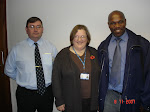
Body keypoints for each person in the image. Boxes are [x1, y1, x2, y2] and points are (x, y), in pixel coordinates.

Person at [98, 10, 150, 112]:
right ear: (108, 25)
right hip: (110, 97)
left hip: (132, 97)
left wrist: (145, 101)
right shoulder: (103, 47)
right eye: (113, 23)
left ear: (125, 21)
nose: (117, 26)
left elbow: (149, 75)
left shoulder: (142, 45)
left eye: (120, 22)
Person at [4, 17, 57, 112]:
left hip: (46, 93)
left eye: (38, 27)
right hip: (25, 94)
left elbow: (56, 69)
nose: (36, 30)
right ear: (26, 29)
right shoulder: (17, 49)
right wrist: (23, 77)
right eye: (32, 27)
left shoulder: (51, 47)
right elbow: (8, 70)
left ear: (42, 29)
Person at [52, 24, 100, 112]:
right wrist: (59, 101)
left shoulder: (95, 53)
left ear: (87, 38)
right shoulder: (62, 55)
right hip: (70, 103)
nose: (79, 40)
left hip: (91, 102)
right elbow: (56, 79)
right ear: (72, 38)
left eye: (82, 36)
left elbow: (101, 78)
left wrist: (100, 101)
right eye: (76, 36)